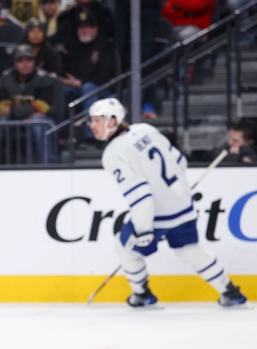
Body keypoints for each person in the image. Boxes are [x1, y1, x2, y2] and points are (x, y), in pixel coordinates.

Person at [88, 97, 247, 308]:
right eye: (92, 121)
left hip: (157, 215)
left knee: (124, 246)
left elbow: (141, 195)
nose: (92, 126)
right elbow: (180, 161)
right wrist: (174, 191)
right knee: (190, 250)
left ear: (112, 121)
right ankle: (229, 291)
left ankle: (142, 294)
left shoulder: (113, 153)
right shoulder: (145, 129)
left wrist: (144, 232)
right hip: (183, 204)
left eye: (98, 120)